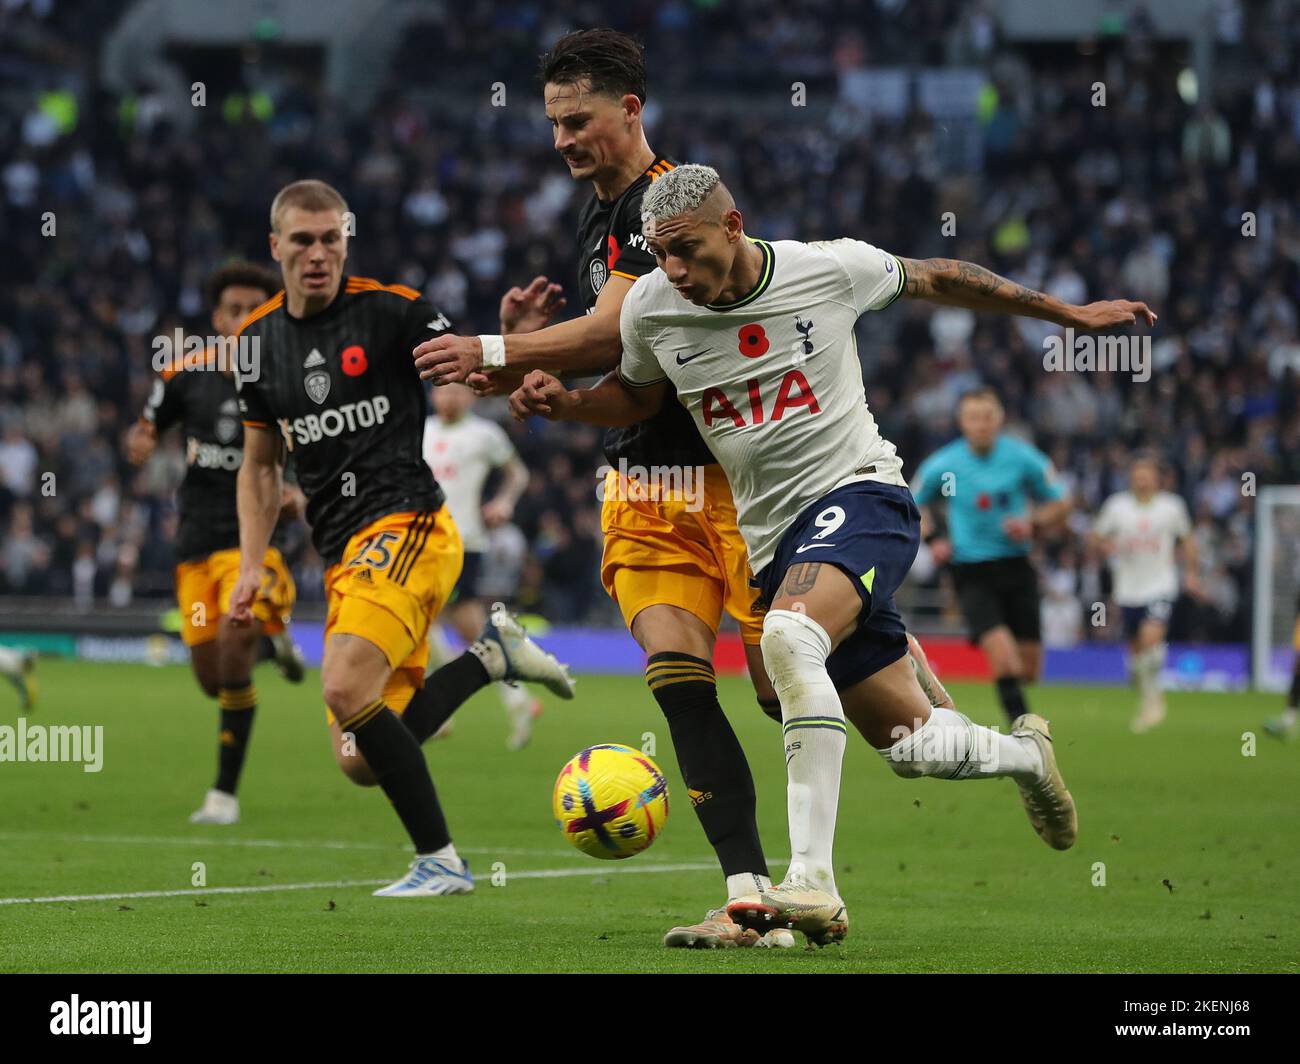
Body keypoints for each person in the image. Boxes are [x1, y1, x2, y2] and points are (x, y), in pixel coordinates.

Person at [512, 163, 1157, 945]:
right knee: (910, 746)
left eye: (686, 249)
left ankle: (809, 884)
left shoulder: (827, 269)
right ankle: (1025, 756)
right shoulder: (651, 306)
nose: (674, 270)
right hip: (772, 542)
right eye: (660, 252)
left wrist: (1064, 314)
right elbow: (642, 398)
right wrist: (570, 403)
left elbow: (940, 276)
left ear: (734, 226)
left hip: (863, 496)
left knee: (787, 637)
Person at [414, 28, 947, 949]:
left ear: (631, 109)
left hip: (737, 486)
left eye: (577, 121)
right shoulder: (595, 216)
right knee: (678, 683)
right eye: (552, 124)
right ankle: (750, 897)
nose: (562, 141)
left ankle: (915, 696)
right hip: (642, 486)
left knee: (800, 695)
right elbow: (617, 356)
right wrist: (538, 367)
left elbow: (610, 331)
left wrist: (499, 351)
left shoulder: (668, 214)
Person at [231, 179, 574, 897]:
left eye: (331, 239)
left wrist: (512, 340)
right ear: (277, 247)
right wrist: (249, 565)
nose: (319, 253)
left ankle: (441, 860)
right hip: (344, 556)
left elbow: (474, 377)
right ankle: (489, 659)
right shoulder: (256, 345)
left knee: (342, 683)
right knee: (359, 756)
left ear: (345, 240)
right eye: (303, 240)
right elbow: (260, 468)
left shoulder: (392, 310)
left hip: (410, 525)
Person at [125, 262, 305, 825]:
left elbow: (315, 449)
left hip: (250, 548)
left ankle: (223, 795)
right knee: (212, 677)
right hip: (195, 544)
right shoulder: (184, 374)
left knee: (232, 644)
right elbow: (149, 425)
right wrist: (140, 441)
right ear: (216, 317)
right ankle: (269, 645)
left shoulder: (290, 378)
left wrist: (298, 491)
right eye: (233, 310)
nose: (243, 320)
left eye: (256, 309)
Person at [912, 388, 1072, 725]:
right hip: (971, 572)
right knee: (1005, 662)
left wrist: (1033, 522)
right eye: (973, 417)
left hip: (1017, 567)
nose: (981, 424)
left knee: (1028, 670)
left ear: (999, 419)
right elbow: (911, 501)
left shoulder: (1023, 458)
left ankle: (1023, 727)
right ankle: (1026, 732)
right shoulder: (945, 464)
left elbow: (1062, 502)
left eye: (987, 417)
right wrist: (936, 538)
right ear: (962, 422)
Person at [421, 382, 540, 749]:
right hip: (422, 540)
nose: (449, 398)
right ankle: (513, 698)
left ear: (471, 396)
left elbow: (518, 474)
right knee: (451, 626)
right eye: (442, 392)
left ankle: (445, 707)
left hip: (461, 541)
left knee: (432, 621)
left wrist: (503, 503)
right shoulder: (420, 430)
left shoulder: (484, 434)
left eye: (457, 392)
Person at [1092, 453, 1200, 732]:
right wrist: (1105, 547)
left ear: (1157, 478)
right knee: (1137, 655)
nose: (1142, 479)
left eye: (1147, 474)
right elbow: (1096, 536)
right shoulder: (1117, 506)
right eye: (1137, 474)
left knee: (1151, 638)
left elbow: (1187, 540)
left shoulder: (1171, 507)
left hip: (1160, 584)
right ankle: (1148, 697)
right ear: (1131, 478)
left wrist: (1191, 573)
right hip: (1127, 588)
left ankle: (1153, 703)